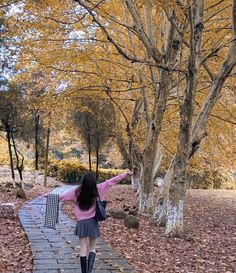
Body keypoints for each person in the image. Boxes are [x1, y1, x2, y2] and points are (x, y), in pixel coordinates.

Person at [59, 171, 131, 273]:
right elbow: (112, 181)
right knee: (92, 247)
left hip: (81, 223)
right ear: (93, 182)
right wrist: (125, 174)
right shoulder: (99, 188)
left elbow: (60, 197)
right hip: (92, 222)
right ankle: (89, 271)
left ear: (83, 181)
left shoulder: (76, 192)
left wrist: (47, 197)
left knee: (83, 247)